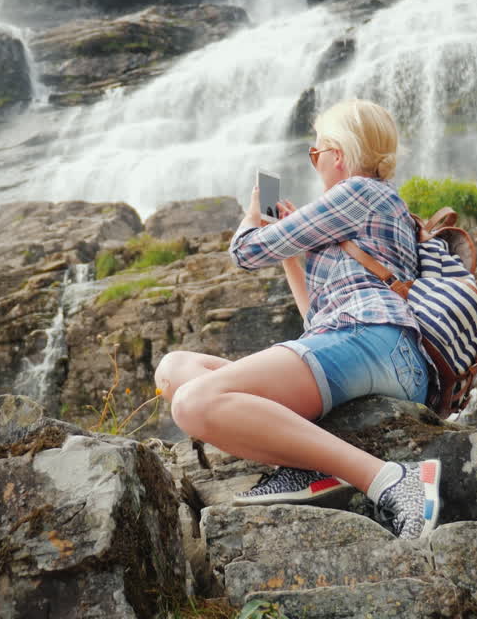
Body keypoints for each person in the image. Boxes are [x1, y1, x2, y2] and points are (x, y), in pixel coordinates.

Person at [154, 98, 441, 540]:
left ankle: (389, 480)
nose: (314, 162)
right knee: (174, 370)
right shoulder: (370, 204)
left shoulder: (357, 192)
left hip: (375, 340)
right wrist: (292, 254)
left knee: (193, 404)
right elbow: (315, 321)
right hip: (359, 342)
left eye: (316, 152)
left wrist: (255, 219)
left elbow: (246, 253)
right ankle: (305, 468)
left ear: (339, 155)